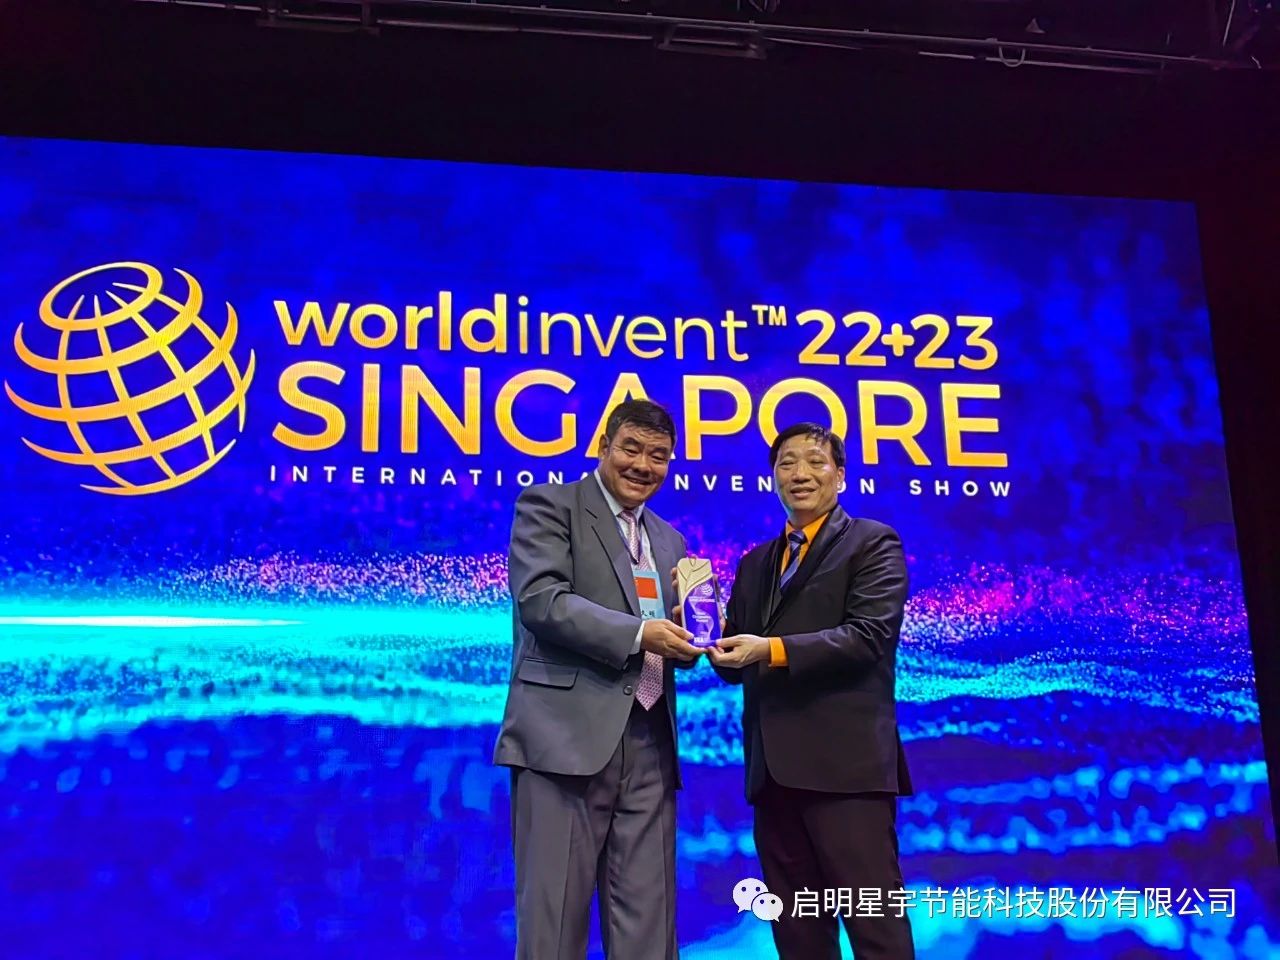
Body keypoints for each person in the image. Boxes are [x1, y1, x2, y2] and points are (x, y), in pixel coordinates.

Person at [493, 398, 702, 960]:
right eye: (631, 449)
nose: (643, 465)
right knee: (554, 924)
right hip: (564, 742)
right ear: (604, 446)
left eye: (658, 455)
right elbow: (542, 601)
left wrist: (694, 637)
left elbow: (667, 637)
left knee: (649, 929)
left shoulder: (670, 540)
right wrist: (642, 633)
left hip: (651, 743)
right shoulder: (549, 505)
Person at [710, 422, 914, 960]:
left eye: (815, 462)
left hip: (846, 775)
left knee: (877, 933)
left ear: (840, 476)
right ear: (773, 478)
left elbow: (868, 638)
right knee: (799, 939)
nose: (800, 473)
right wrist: (704, 633)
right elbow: (736, 665)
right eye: (787, 463)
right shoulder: (755, 563)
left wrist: (769, 649)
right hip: (772, 779)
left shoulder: (873, 543)